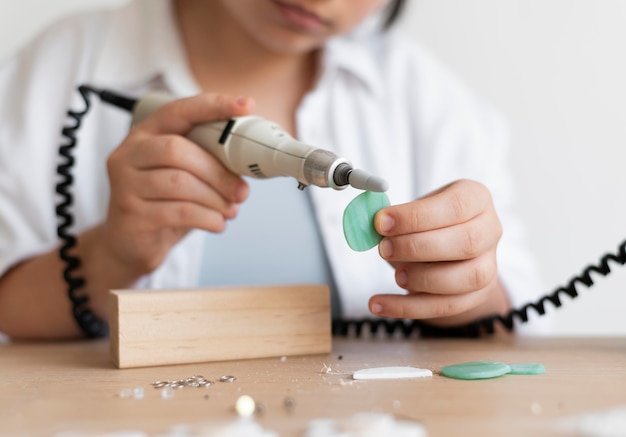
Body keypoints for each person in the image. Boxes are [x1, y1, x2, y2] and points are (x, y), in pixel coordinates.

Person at [0, 0, 546, 340]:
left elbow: (514, 317)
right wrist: (109, 255)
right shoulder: (54, 71)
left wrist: (464, 284)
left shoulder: (432, 103)